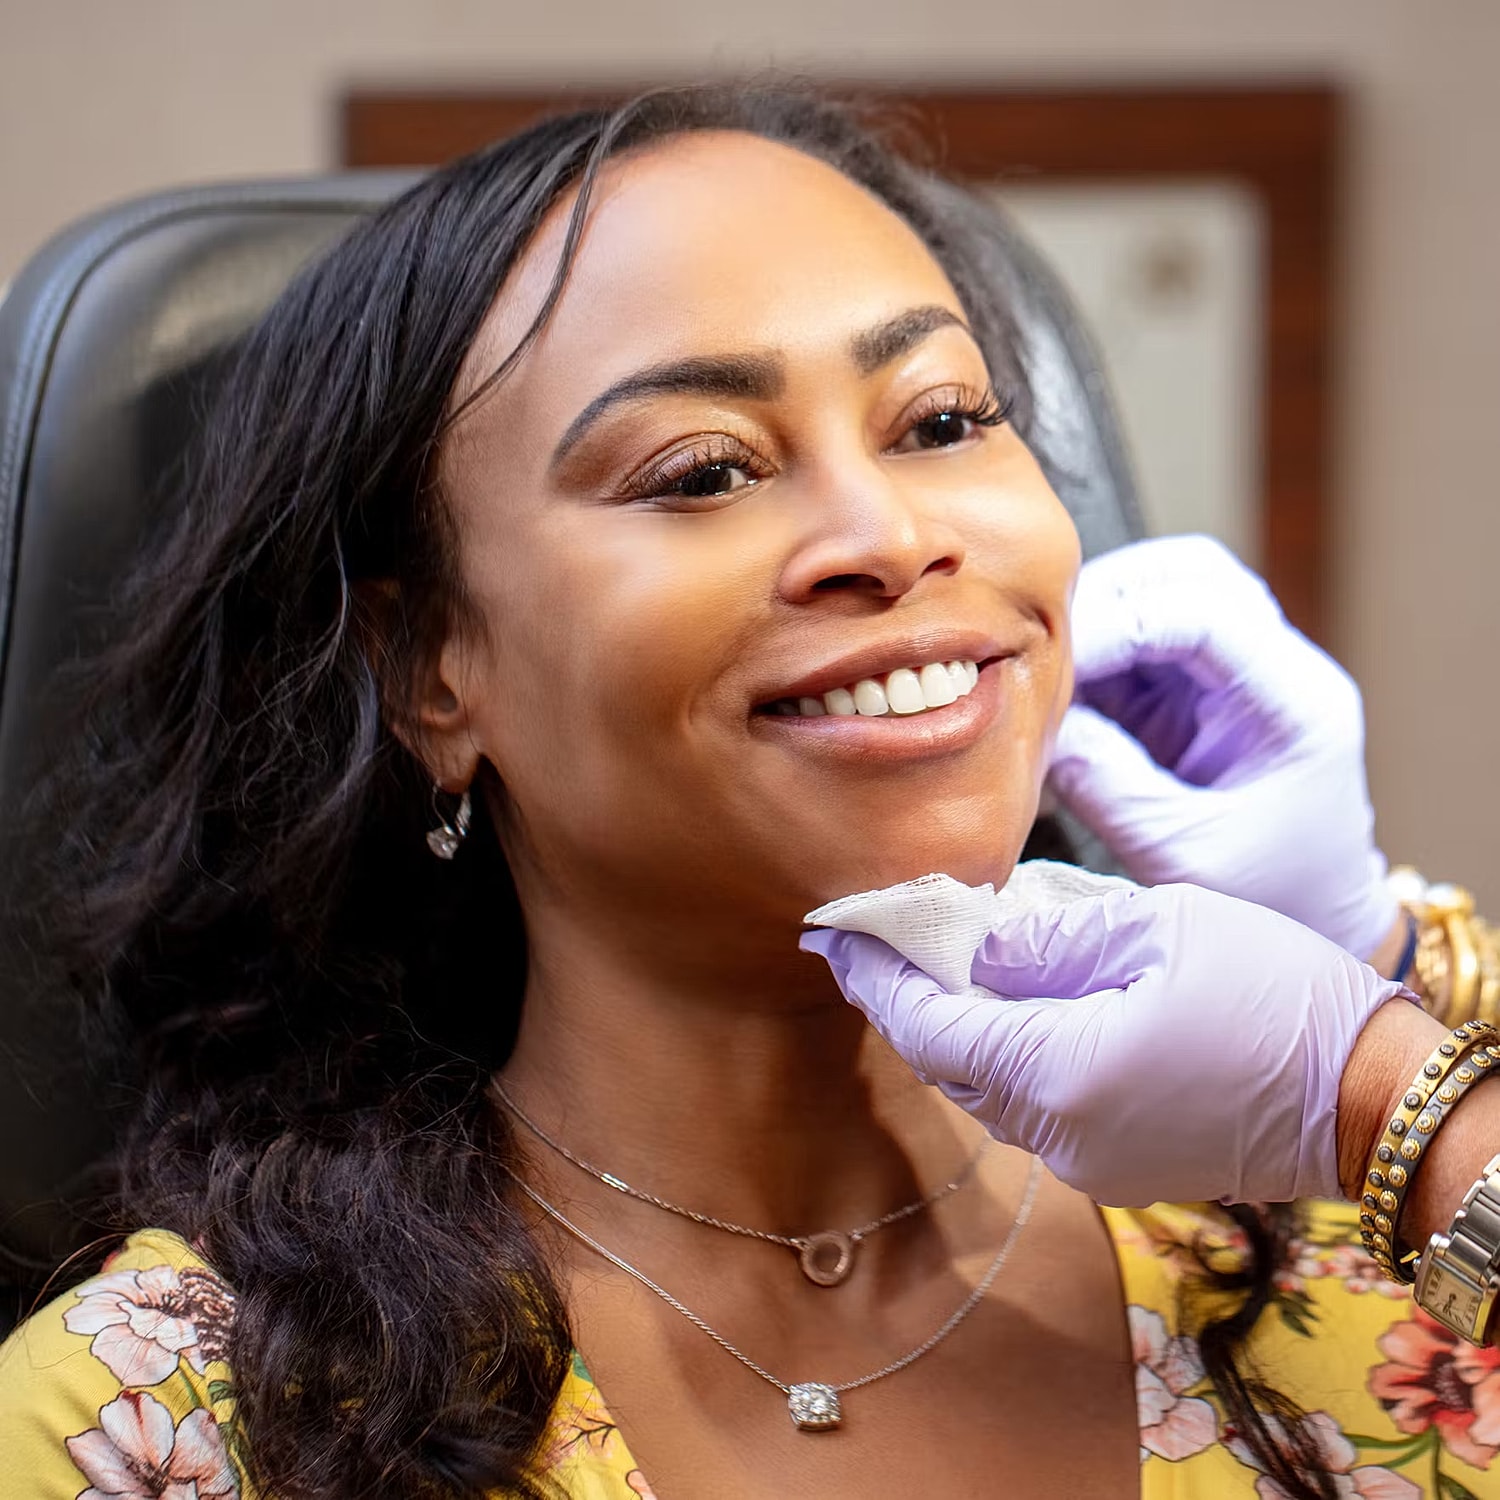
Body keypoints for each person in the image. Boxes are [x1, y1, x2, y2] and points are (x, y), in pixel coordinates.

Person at [0, 84, 1489, 1500]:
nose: (889, 535)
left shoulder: (1399, 1240)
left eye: (943, 420)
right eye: (705, 471)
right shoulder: (147, 1432)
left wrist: (1387, 1061)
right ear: (429, 669)